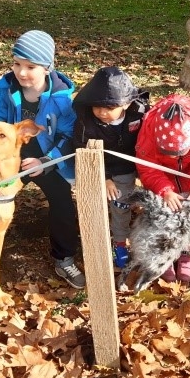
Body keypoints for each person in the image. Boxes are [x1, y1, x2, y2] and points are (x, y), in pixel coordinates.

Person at [0, 30, 85, 289]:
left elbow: (68, 136)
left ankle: (64, 258)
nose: (21, 72)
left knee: (62, 201)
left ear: (47, 68)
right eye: (17, 63)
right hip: (10, 156)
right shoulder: (6, 92)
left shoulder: (61, 99)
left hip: (47, 158)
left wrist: (46, 161)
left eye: (30, 67)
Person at [135, 94, 190, 283]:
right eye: (168, 152)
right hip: (161, 177)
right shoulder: (149, 133)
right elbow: (148, 168)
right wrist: (164, 190)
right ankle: (165, 253)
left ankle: (185, 252)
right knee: (163, 215)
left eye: (178, 152)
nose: (174, 156)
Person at [72, 66, 150, 268]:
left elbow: (150, 139)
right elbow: (82, 148)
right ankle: (115, 242)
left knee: (124, 204)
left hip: (131, 164)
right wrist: (104, 177)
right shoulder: (86, 121)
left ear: (126, 103)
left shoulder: (139, 113)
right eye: (97, 106)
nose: (102, 112)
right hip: (99, 167)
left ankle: (129, 239)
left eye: (110, 107)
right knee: (113, 204)